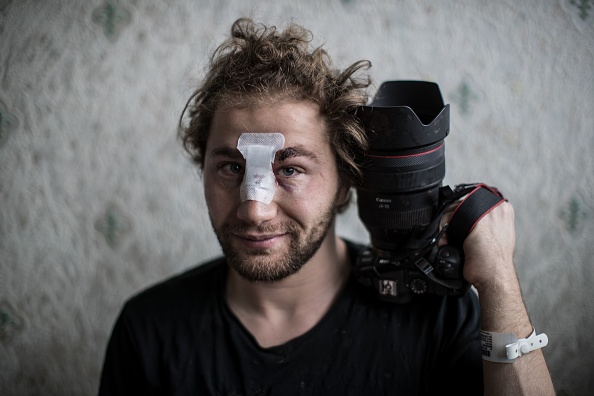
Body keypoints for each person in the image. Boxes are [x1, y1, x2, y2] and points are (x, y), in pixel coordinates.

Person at [98, 18, 555, 395]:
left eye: (291, 170)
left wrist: (499, 283)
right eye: (231, 168)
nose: (255, 210)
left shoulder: (434, 317)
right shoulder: (150, 332)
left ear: (344, 183)